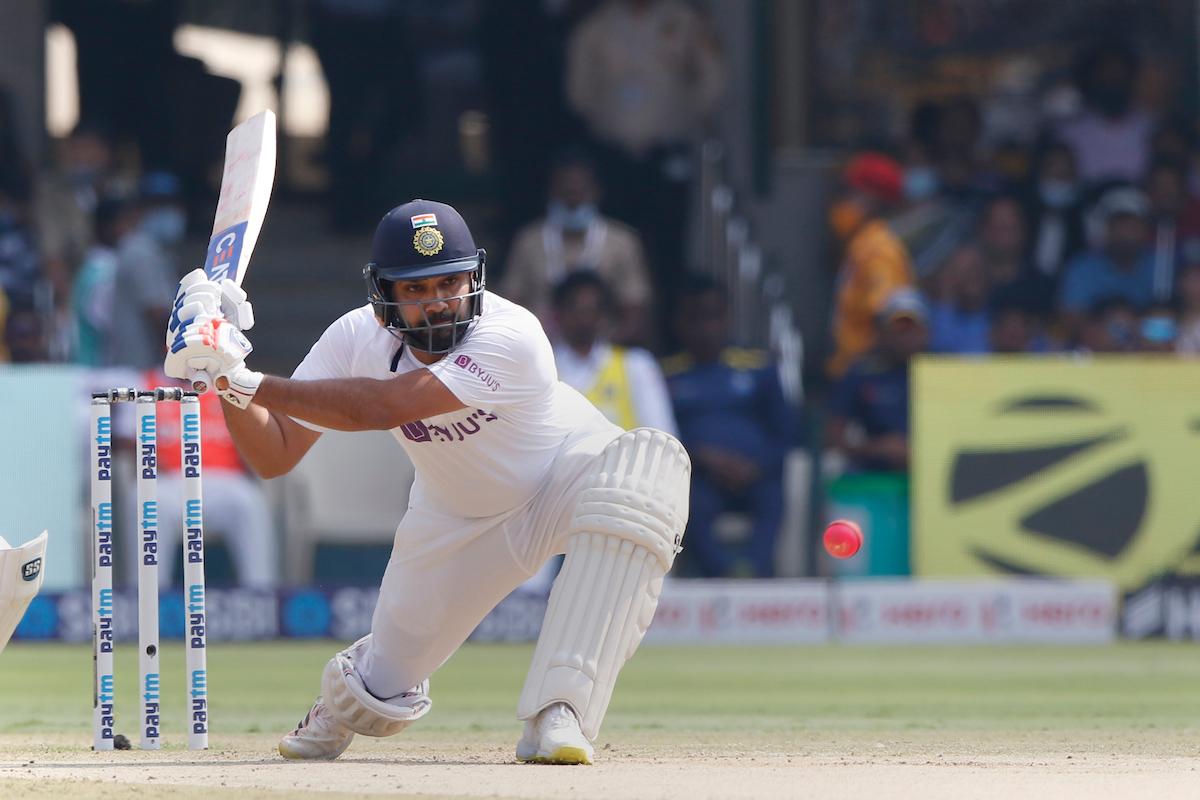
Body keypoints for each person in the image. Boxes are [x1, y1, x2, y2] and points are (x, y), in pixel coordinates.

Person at [162, 199, 691, 765]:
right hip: (455, 518)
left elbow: (387, 404)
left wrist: (249, 377)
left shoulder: (514, 334)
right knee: (380, 692)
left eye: (450, 282)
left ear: (475, 278)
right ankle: (346, 693)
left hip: (566, 473)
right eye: (416, 290)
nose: (439, 302)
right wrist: (220, 376)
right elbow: (276, 452)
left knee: (643, 480)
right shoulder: (354, 339)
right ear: (383, 297)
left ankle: (561, 710)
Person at [661, 276, 792, 578]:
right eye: (696, 318)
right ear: (680, 322)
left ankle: (754, 572)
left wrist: (754, 465)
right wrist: (705, 459)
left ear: (728, 317)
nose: (706, 328)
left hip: (756, 474)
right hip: (697, 477)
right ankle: (722, 576)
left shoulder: (759, 367)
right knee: (690, 503)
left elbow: (785, 432)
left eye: (714, 316)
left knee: (772, 497)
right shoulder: (665, 374)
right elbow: (661, 434)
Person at [501, 152, 653, 344]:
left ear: (597, 192)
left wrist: (597, 355)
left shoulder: (623, 242)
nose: (573, 202)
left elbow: (635, 310)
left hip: (603, 354)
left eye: (580, 193)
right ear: (550, 193)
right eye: (566, 194)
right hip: (540, 348)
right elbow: (508, 304)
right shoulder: (529, 241)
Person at [550, 271, 675, 434]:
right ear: (558, 315)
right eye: (577, 310)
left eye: (592, 310)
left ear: (604, 315)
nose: (584, 319)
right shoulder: (543, 369)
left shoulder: (636, 365)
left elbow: (662, 437)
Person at [827, 152, 914, 378]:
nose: (842, 202)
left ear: (872, 200)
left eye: (849, 193)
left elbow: (887, 315)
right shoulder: (862, 243)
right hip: (853, 368)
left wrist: (869, 375)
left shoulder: (878, 249)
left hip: (868, 372)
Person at [828, 288, 929, 473]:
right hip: (872, 475)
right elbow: (834, 435)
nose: (906, 337)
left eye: (912, 328)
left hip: (932, 475)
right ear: (882, 332)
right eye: (899, 328)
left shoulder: (943, 369)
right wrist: (877, 448)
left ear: (926, 332)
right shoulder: (862, 371)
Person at [1059, 186, 1156, 341]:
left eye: (1133, 225)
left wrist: (1138, 328)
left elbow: (1171, 325)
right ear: (1105, 228)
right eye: (1119, 225)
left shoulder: (1160, 266)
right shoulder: (1082, 267)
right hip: (1093, 353)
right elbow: (1071, 321)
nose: (1126, 233)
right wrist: (1109, 330)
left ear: (1145, 229)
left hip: (1150, 353)